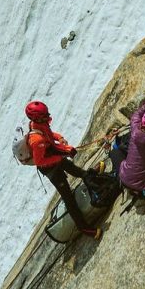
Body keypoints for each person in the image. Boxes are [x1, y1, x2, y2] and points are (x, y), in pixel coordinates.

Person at [25, 101, 102, 239]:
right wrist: (61, 157)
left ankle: (93, 177)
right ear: (36, 118)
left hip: (56, 156)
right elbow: (40, 162)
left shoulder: (37, 125)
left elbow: (49, 134)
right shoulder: (36, 140)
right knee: (69, 199)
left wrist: (59, 138)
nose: (47, 116)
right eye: (44, 115)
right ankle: (84, 228)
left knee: (77, 171)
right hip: (52, 169)